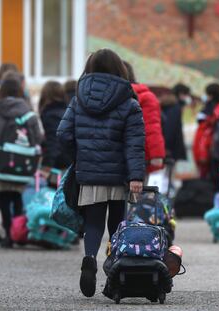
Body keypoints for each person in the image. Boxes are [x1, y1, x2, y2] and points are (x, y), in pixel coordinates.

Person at [57, 49, 145, 298]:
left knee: (94, 222)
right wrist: (136, 175)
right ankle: (114, 272)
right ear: (120, 69)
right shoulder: (129, 102)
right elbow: (134, 144)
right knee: (117, 224)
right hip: (118, 174)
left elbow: (63, 134)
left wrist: (78, 155)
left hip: (89, 171)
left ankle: (89, 259)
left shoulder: (78, 98)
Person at [0, 75, 43, 248]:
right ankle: (18, 233)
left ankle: (8, 234)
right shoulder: (29, 113)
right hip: (23, 163)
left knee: (2, 197)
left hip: (0, 162)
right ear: (20, 91)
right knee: (17, 196)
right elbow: (38, 138)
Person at [123, 61, 165, 173]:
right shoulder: (146, 96)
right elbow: (152, 127)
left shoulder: (143, 97)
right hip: (140, 156)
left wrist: (156, 156)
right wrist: (156, 155)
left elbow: (151, 127)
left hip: (134, 157)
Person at [39, 81, 72, 170]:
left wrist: (46, 166)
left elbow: (54, 142)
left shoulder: (51, 114)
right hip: (70, 159)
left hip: (59, 163)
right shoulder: (67, 111)